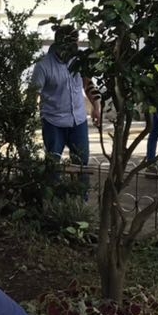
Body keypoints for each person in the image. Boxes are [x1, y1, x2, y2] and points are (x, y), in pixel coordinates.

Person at [31, 25, 101, 195]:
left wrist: (96, 106)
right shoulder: (43, 66)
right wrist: (30, 117)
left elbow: (88, 83)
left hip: (78, 121)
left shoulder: (79, 61)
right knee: (53, 166)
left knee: (82, 166)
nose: (75, 48)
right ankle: (53, 202)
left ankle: (80, 203)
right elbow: (33, 94)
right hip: (53, 122)